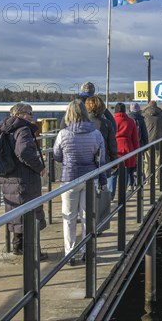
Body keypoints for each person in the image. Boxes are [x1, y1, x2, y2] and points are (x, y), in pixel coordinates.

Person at [53, 100, 106, 266]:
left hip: (70, 179)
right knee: (87, 217)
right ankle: (86, 250)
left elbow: (56, 156)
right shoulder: (96, 134)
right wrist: (103, 180)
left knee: (69, 217)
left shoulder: (63, 134)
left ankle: (70, 254)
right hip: (91, 178)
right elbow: (102, 160)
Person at [0, 102, 47, 258]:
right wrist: (40, 167)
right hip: (24, 178)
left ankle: (18, 247)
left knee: (16, 212)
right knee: (31, 214)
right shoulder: (23, 129)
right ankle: (33, 253)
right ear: (20, 114)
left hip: (8, 176)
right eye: (30, 113)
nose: (32, 116)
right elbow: (24, 151)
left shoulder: (2, 128)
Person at [85, 96, 117, 233]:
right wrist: (115, 161)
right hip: (103, 162)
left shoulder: (83, 123)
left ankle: (88, 225)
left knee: (86, 195)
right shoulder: (106, 123)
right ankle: (97, 224)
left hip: (86, 163)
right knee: (99, 192)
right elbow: (112, 144)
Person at [107, 103, 139, 199]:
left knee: (113, 174)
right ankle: (122, 196)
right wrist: (136, 152)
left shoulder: (110, 121)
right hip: (127, 148)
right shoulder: (131, 121)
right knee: (124, 173)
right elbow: (135, 138)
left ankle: (110, 197)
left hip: (114, 148)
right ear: (125, 110)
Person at [142, 101, 162, 186]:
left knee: (147, 161)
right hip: (159, 141)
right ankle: (157, 179)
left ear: (148, 105)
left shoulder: (144, 114)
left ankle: (147, 179)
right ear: (156, 106)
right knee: (158, 161)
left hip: (147, 141)